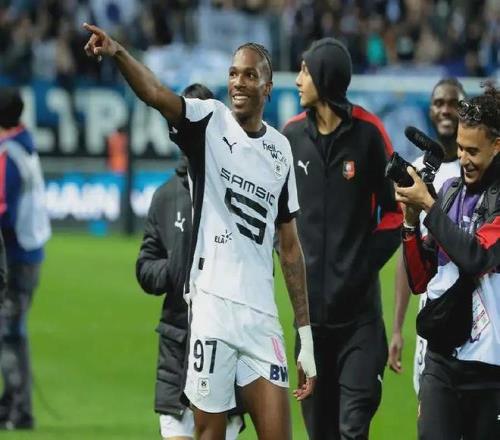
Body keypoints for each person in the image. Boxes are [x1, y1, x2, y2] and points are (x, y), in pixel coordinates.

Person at [83, 23, 316, 440]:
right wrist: (118, 53)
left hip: (261, 316)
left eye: (249, 75)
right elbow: (156, 93)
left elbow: (290, 246)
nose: (238, 82)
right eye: (233, 73)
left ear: (267, 87)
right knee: (209, 434)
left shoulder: (281, 149)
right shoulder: (209, 120)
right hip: (212, 309)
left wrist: (306, 333)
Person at [283, 37, 402, 439]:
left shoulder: (368, 134)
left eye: (305, 70)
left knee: (353, 429)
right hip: (310, 327)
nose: (298, 79)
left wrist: (362, 264)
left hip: (359, 324)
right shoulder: (291, 136)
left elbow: (397, 210)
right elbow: (276, 216)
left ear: (325, 77)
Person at [136, 83, 244, 440]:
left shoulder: (235, 188)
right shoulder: (165, 197)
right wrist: (174, 270)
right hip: (177, 343)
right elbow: (144, 266)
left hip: (223, 342)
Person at [397, 83, 500, 440]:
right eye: (459, 148)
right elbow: (420, 279)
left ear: (497, 145)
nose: (464, 158)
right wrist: (410, 222)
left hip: (489, 368)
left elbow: (477, 257)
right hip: (441, 360)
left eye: (473, 150)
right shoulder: (451, 191)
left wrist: (428, 206)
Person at [388, 78, 466, 394]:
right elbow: (408, 253)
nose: (446, 110)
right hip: (434, 306)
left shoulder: (478, 167)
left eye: (454, 103)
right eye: (439, 103)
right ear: (430, 111)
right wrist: (397, 328)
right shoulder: (418, 171)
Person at [0, 87, 51, 430]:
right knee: (12, 330)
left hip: (14, 254)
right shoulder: (25, 145)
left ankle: (19, 409)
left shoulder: (8, 152)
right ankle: (12, 403)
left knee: (9, 332)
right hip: (30, 248)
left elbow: (4, 210)